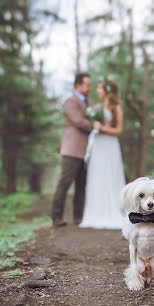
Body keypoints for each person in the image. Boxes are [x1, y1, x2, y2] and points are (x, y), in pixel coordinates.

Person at [51, 73, 100, 227]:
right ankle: (56, 217)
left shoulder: (89, 104)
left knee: (81, 185)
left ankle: (78, 217)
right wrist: (95, 126)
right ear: (78, 86)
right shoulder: (70, 102)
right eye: (87, 85)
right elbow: (79, 121)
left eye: (91, 85)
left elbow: (95, 116)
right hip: (72, 150)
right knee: (64, 183)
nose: (90, 88)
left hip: (86, 152)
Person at [80, 78, 126, 229]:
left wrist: (102, 128)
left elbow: (118, 130)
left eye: (100, 88)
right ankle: (95, 214)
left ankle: (112, 213)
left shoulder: (116, 107)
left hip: (110, 145)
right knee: (97, 176)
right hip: (98, 146)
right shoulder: (98, 107)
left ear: (107, 90)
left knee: (110, 175)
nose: (97, 91)